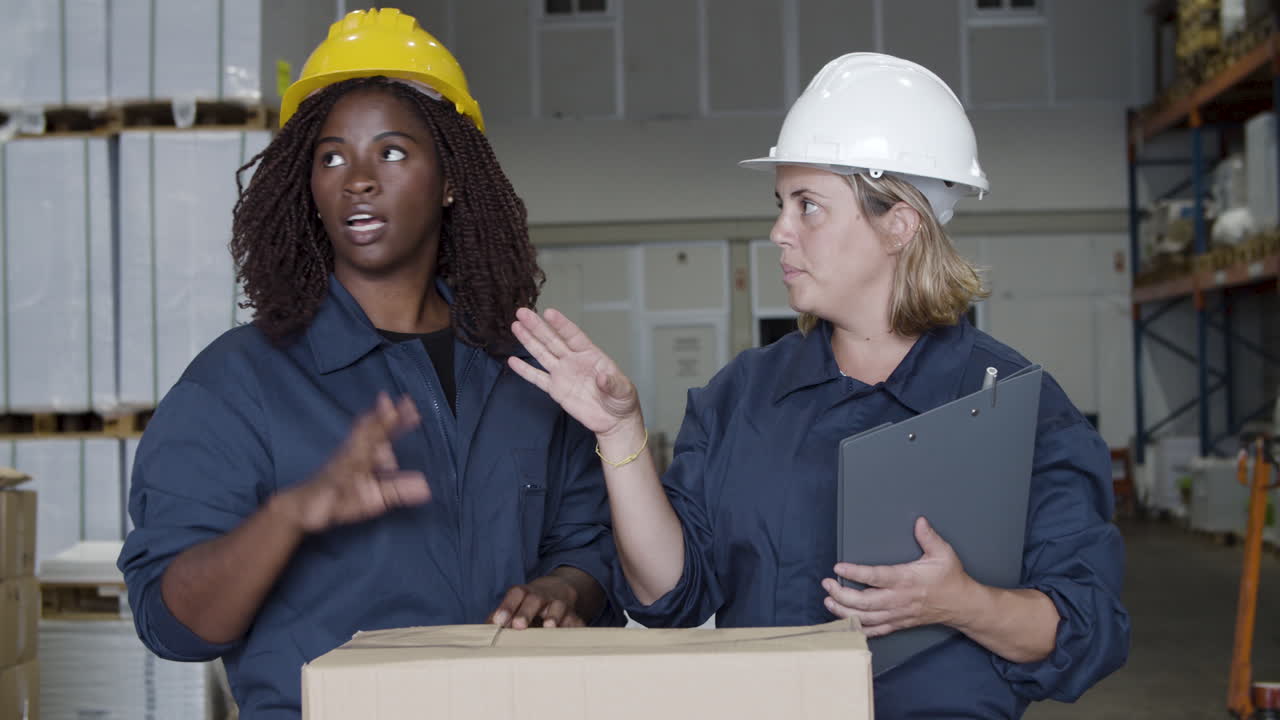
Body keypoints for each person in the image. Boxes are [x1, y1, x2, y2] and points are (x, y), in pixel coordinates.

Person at [508, 53, 1129, 717]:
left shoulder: (1014, 405)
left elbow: (1083, 629)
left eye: (809, 207)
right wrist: (620, 434)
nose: (779, 231)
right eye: (781, 205)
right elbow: (670, 595)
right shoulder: (744, 395)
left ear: (899, 224)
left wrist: (960, 602)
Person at [118, 9, 622, 718]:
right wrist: (290, 515)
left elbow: (588, 542)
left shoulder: (525, 374)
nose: (357, 178)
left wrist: (567, 589)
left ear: (450, 181)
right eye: (331, 157)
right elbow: (172, 625)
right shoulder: (238, 384)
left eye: (390, 152)